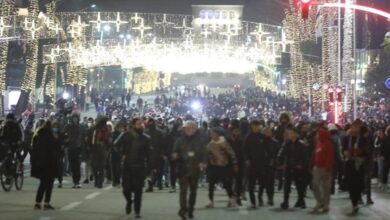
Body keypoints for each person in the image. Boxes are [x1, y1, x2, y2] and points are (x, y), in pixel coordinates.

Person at [116, 118, 151, 218]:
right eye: (138, 123)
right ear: (133, 125)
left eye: (141, 123)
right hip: (127, 166)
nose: (140, 125)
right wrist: (122, 154)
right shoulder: (126, 135)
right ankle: (129, 201)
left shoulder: (146, 138)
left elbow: (149, 155)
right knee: (126, 189)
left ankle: (137, 211)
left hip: (140, 167)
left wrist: (149, 169)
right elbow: (115, 145)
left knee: (138, 191)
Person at [173, 120, 206, 220]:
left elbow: (204, 154)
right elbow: (174, 152)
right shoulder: (179, 140)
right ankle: (183, 210)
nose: (189, 129)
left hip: (195, 169)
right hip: (183, 169)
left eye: (192, 128)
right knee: (183, 191)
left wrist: (202, 163)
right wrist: (176, 157)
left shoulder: (200, 141)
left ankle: (191, 208)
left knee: (193, 191)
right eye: (187, 128)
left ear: (195, 129)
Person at [205, 128, 238, 208]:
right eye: (211, 134)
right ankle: (211, 201)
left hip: (224, 166)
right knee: (211, 184)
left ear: (217, 134)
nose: (211, 135)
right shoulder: (210, 145)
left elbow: (232, 153)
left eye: (213, 133)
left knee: (227, 184)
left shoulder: (224, 143)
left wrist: (235, 163)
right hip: (213, 166)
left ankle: (231, 199)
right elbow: (206, 155)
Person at [278, 125, 309, 210]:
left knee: (299, 186)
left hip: (298, 168)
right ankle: (286, 202)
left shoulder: (301, 144)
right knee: (287, 186)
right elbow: (281, 154)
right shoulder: (286, 144)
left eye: (291, 133)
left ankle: (301, 201)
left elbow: (305, 157)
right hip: (288, 167)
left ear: (295, 133)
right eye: (288, 133)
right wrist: (281, 163)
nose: (290, 135)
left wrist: (301, 165)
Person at [31, 121, 60, 210]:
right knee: (49, 184)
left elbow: (34, 151)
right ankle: (46, 203)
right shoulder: (51, 138)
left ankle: (37, 203)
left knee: (42, 184)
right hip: (50, 164)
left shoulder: (38, 136)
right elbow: (56, 149)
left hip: (40, 164)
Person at [342, 120, 368, 214]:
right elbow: (343, 149)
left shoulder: (363, 139)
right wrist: (346, 153)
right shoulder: (346, 138)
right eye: (354, 127)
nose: (356, 129)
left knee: (358, 184)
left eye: (358, 127)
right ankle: (354, 202)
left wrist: (359, 153)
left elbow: (367, 151)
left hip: (359, 165)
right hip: (349, 163)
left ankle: (357, 200)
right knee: (351, 184)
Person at [243, 120, 270, 208]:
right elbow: (245, 150)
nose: (256, 127)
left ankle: (260, 197)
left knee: (262, 183)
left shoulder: (262, 137)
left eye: (257, 126)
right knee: (251, 183)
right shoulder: (248, 137)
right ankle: (253, 201)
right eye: (254, 126)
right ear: (252, 126)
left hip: (261, 163)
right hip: (251, 163)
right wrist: (247, 159)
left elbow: (267, 149)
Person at [311, 126, 334, 213]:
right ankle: (320, 201)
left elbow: (330, 156)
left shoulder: (328, 144)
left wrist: (327, 166)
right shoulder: (318, 143)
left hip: (325, 168)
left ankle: (325, 204)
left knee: (326, 187)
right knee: (315, 184)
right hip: (317, 167)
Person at [226, 124, 245, 205]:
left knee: (239, 182)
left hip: (239, 163)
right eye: (235, 131)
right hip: (229, 164)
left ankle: (238, 198)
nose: (236, 132)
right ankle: (231, 197)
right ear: (231, 132)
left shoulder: (241, 140)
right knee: (229, 182)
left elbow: (242, 152)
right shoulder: (227, 140)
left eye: (238, 131)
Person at [145, 118, 165, 192]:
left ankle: (159, 183)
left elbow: (163, 144)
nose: (150, 124)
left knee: (158, 170)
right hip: (149, 154)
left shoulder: (159, 133)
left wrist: (162, 153)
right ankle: (151, 185)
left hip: (158, 154)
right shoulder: (146, 132)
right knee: (150, 171)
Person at [91, 117, 111, 188]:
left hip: (101, 149)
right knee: (96, 166)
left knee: (100, 167)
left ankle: (99, 182)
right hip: (96, 149)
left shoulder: (105, 129)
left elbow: (107, 140)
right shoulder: (95, 129)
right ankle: (97, 180)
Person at [64, 113, 83, 188]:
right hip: (70, 148)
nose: (75, 119)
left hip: (78, 148)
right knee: (72, 165)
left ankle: (77, 181)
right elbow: (64, 136)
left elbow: (82, 137)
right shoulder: (68, 126)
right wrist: (66, 140)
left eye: (76, 118)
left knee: (77, 165)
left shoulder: (80, 127)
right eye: (74, 118)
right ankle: (75, 181)